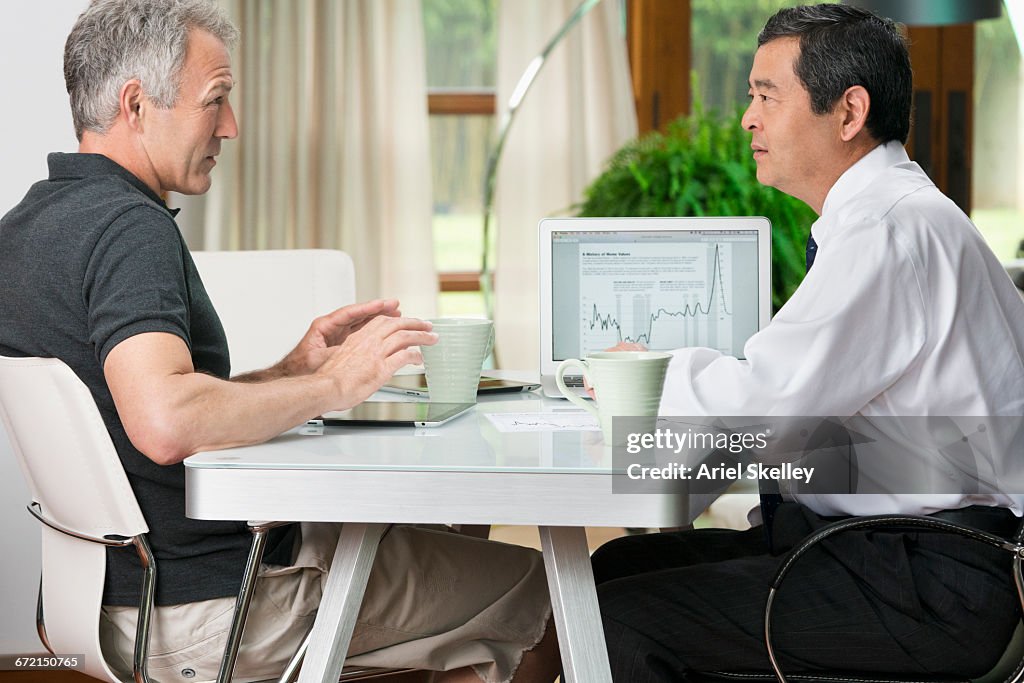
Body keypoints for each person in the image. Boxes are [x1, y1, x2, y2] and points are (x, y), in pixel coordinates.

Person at [0, 1, 560, 681]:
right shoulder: (128, 229)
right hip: (215, 604)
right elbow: (164, 420)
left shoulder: (29, 225)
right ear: (136, 104)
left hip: (102, 599)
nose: (230, 127)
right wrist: (333, 385)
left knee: (440, 556)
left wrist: (288, 371)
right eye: (216, 100)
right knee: (545, 595)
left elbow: (141, 400)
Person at [592, 4, 1024, 681]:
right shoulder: (897, 214)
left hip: (934, 582)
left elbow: (766, 409)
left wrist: (645, 377)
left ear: (849, 112)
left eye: (767, 96)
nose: (748, 119)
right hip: (902, 553)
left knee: (617, 616)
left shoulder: (886, 230)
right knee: (606, 571)